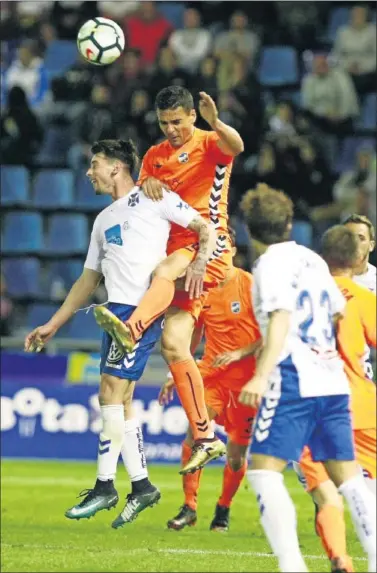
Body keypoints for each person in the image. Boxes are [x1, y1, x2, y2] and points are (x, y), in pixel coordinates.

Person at [24, 138, 217, 529]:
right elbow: (86, 280)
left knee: (109, 393)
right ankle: (142, 485)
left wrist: (198, 263)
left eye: (94, 163)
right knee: (121, 401)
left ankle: (104, 485)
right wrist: (53, 323)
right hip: (113, 312)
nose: (88, 171)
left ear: (116, 167)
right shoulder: (102, 220)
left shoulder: (156, 197)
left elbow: (203, 226)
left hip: (140, 313)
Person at [93, 86, 244, 475]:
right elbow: (143, 196)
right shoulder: (155, 156)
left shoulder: (210, 142)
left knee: (161, 274)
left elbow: (237, 146)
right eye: (165, 123)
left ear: (192, 116)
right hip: (176, 250)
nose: (172, 129)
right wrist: (147, 184)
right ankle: (207, 437)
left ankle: (133, 326)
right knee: (175, 345)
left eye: (178, 121)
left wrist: (216, 121)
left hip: (207, 243)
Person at [239, 183, 376, 573]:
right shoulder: (312, 262)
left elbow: (280, 316)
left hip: (293, 382)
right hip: (333, 383)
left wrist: (261, 375)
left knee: (264, 471)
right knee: (349, 479)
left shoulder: (267, 267)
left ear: (250, 230)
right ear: (289, 224)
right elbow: (336, 312)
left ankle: (292, 566)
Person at [158, 228, 261, 531]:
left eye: (222, 245)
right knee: (195, 435)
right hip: (212, 375)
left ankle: (223, 508)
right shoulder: (201, 287)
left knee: (236, 455)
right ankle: (189, 506)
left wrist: (240, 352)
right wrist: (173, 372)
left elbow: (272, 334)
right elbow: (192, 333)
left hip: (246, 382)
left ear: (232, 250)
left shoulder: (251, 285)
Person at [294, 225, 376, 573]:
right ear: (358, 258)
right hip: (360, 406)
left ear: (322, 256)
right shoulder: (364, 299)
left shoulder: (296, 297)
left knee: (324, 492)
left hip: (311, 408)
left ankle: (340, 558)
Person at [343, 214, 376, 293]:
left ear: (371, 246)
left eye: (361, 238)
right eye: (349, 237)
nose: (355, 243)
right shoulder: (328, 277)